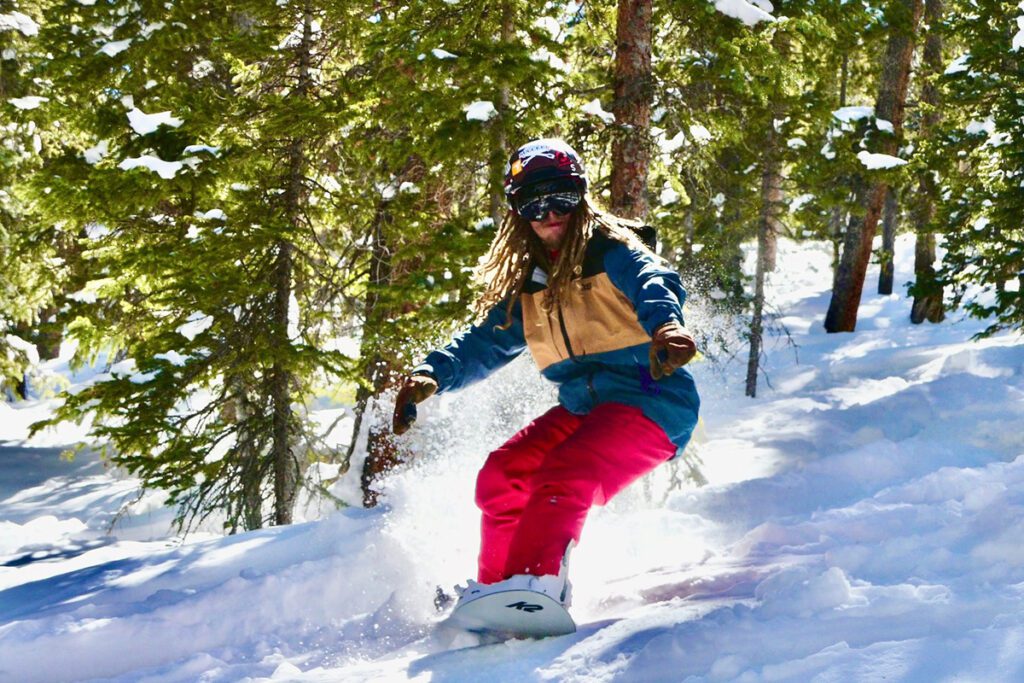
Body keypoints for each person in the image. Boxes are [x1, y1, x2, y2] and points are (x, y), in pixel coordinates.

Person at [392, 138, 700, 606]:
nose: (550, 213)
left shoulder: (612, 251)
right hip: (586, 407)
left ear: (582, 197)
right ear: (518, 213)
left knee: (565, 471)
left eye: (562, 197)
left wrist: (667, 327)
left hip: (651, 400)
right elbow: (485, 340)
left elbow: (653, 280)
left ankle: (536, 590)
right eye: (533, 205)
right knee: (503, 474)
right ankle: (497, 592)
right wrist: (432, 373)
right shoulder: (534, 280)